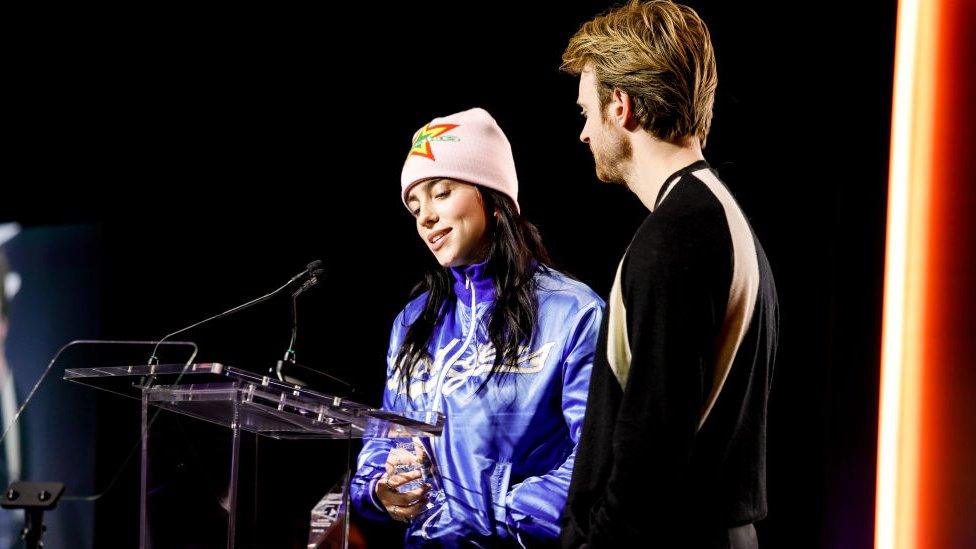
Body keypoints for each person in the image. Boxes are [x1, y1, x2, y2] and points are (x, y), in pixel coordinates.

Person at [559, 2, 779, 548]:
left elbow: (649, 455)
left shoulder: (678, 236)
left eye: (586, 112)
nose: (584, 133)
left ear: (621, 107)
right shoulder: (718, 217)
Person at [350, 107, 604, 547]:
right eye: (414, 206)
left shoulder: (574, 313)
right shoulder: (412, 323)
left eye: (442, 192)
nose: (424, 217)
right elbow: (380, 449)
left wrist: (483, 512)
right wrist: (382, 489)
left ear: (492, 196)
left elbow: (596, 463)